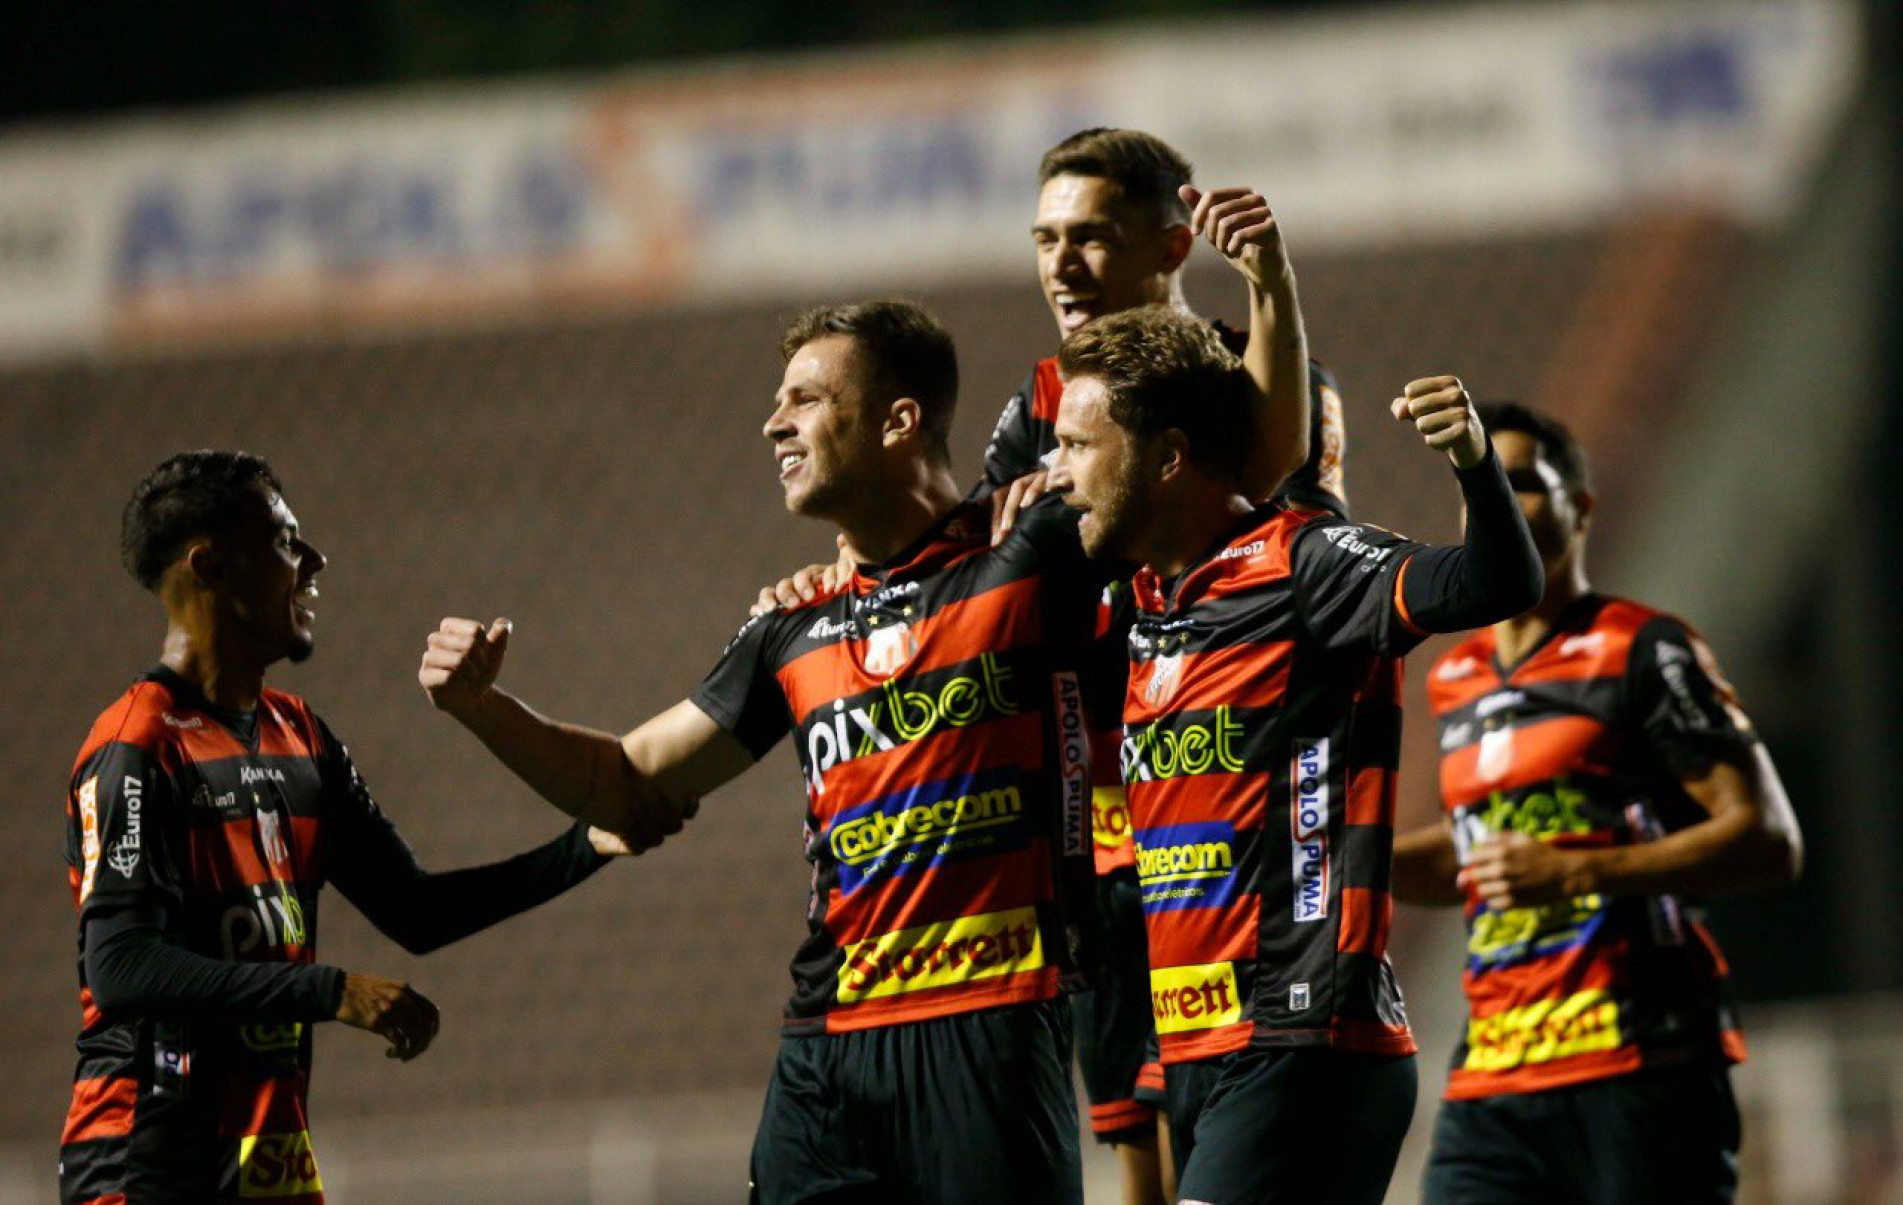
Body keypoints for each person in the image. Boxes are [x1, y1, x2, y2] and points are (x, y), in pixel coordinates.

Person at [757, 127, 1341, 1203]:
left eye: (1092, 237)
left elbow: (1269, 477)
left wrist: (1270, 288)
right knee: (1132, 1134)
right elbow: (943, 559)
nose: (1062, 263)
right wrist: (831, 581)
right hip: (1110, 834)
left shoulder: (1259, 372)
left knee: (1235, 1131)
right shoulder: (1034, 411)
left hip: (1228, 811)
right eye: (1045, 237)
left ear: (1172, 246)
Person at [1049, 305, 1545, 1204]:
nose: (1060, 475)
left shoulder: (1302, 563)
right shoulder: (1143, 606)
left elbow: (1495, 581)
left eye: (1080, 447)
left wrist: (1473, 461)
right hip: (1201, 1046)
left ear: (1165, 455)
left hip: (1302, 1037)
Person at [60, 451, 623, 1205]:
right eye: (287, 541)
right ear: (211, 566)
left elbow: (416, 909)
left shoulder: (300, 736)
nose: (315, 561)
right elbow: (120, 966)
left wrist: (588, 844)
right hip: (147, 1160)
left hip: (268, 1154)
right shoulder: (137, 746)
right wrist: (331, 991)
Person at [1389, 402, 1803, 1204]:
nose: (1493, 501)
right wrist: (1347, 858)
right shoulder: (1454, 674)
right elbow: (1472, 851)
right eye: (1479, 486)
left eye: (1521, 483)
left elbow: (1766, 837)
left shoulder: (1645, 646)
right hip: (1496, 1073)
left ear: (1579, 508)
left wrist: (1577, 871)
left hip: (1641, 1064)